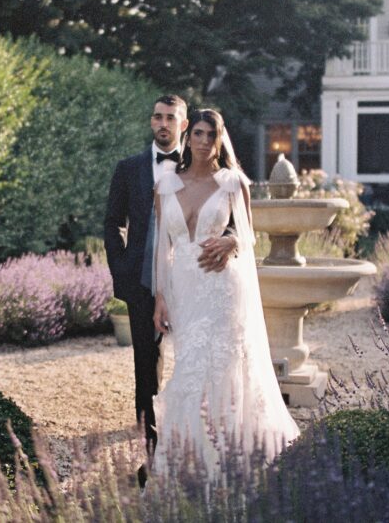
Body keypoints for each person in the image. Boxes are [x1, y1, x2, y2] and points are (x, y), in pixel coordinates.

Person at [151, 108, 299, 477]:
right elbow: (161, 249)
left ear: (220, 139)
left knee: (220, 365)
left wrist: (230, 241)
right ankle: (189, 456)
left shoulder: (233, 183)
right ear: (188, 137)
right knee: (189, 364)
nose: (203, 141)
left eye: (210, 135)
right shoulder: (166, 185)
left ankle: (229, 456)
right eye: (197, 133)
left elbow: (248, 235)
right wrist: (160, 296)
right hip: (183, 288)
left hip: (221, 286)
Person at [104, 96, 238, 471]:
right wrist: (124, 272)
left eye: (170, 118)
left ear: (183, 126)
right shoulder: (128, 169)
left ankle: (205, 443)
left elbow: (227, 218)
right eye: (157, 117)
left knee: (199, 360)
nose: (162, 124)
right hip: (145, 285)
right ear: (151, 122)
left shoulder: (200, 169)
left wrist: (231, 240)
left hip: (201, 281)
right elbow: (112, 223)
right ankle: (153, 452)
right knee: (147, 365)